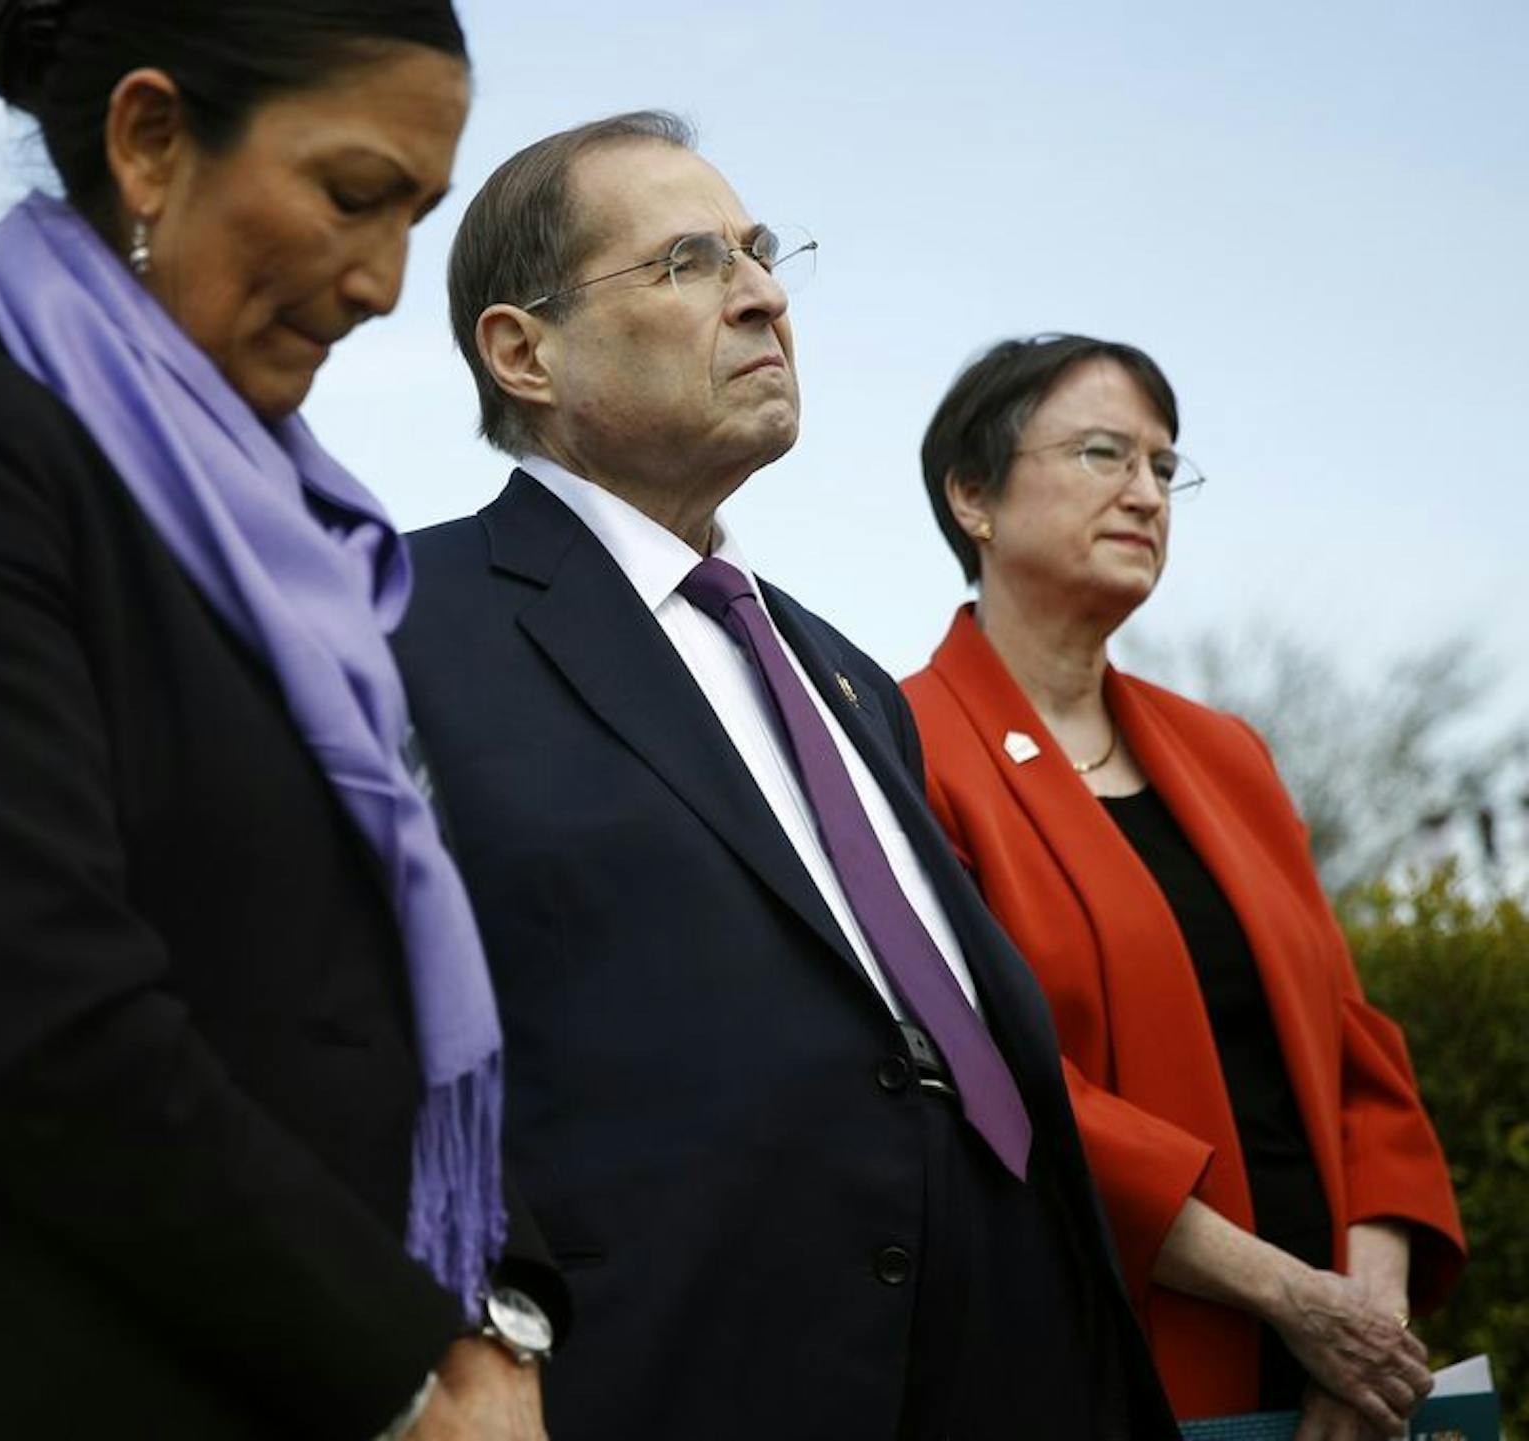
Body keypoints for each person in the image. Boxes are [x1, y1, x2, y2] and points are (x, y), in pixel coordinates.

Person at [0, 3, 564, 1437]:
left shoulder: (304, 553)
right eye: (355, 196)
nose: (384, 283)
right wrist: (402, 1371)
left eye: (418, 216)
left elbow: (402, 999)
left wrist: (498, 1321)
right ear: (150, 141)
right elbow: (45, 1032)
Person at [391, 113, 1177, 1440]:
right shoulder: (399, 621)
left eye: (762, 255)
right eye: (691, 263)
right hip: (669, 1369)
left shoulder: (848, 677)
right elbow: (353, 1023)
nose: (765, 295)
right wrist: (464, 1341)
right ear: (524, 350)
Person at [900, 333, 1464, 1434]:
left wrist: (1367, 1332)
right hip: (1097, 1371)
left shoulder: (1228, 755)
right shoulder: (904, 746)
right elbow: (997, 1084)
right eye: (1105, 453)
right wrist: (1285, 1293)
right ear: (973, 496)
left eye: (1165, 467)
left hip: (1329, 1382)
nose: (1146, 493)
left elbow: (1363, 1060)